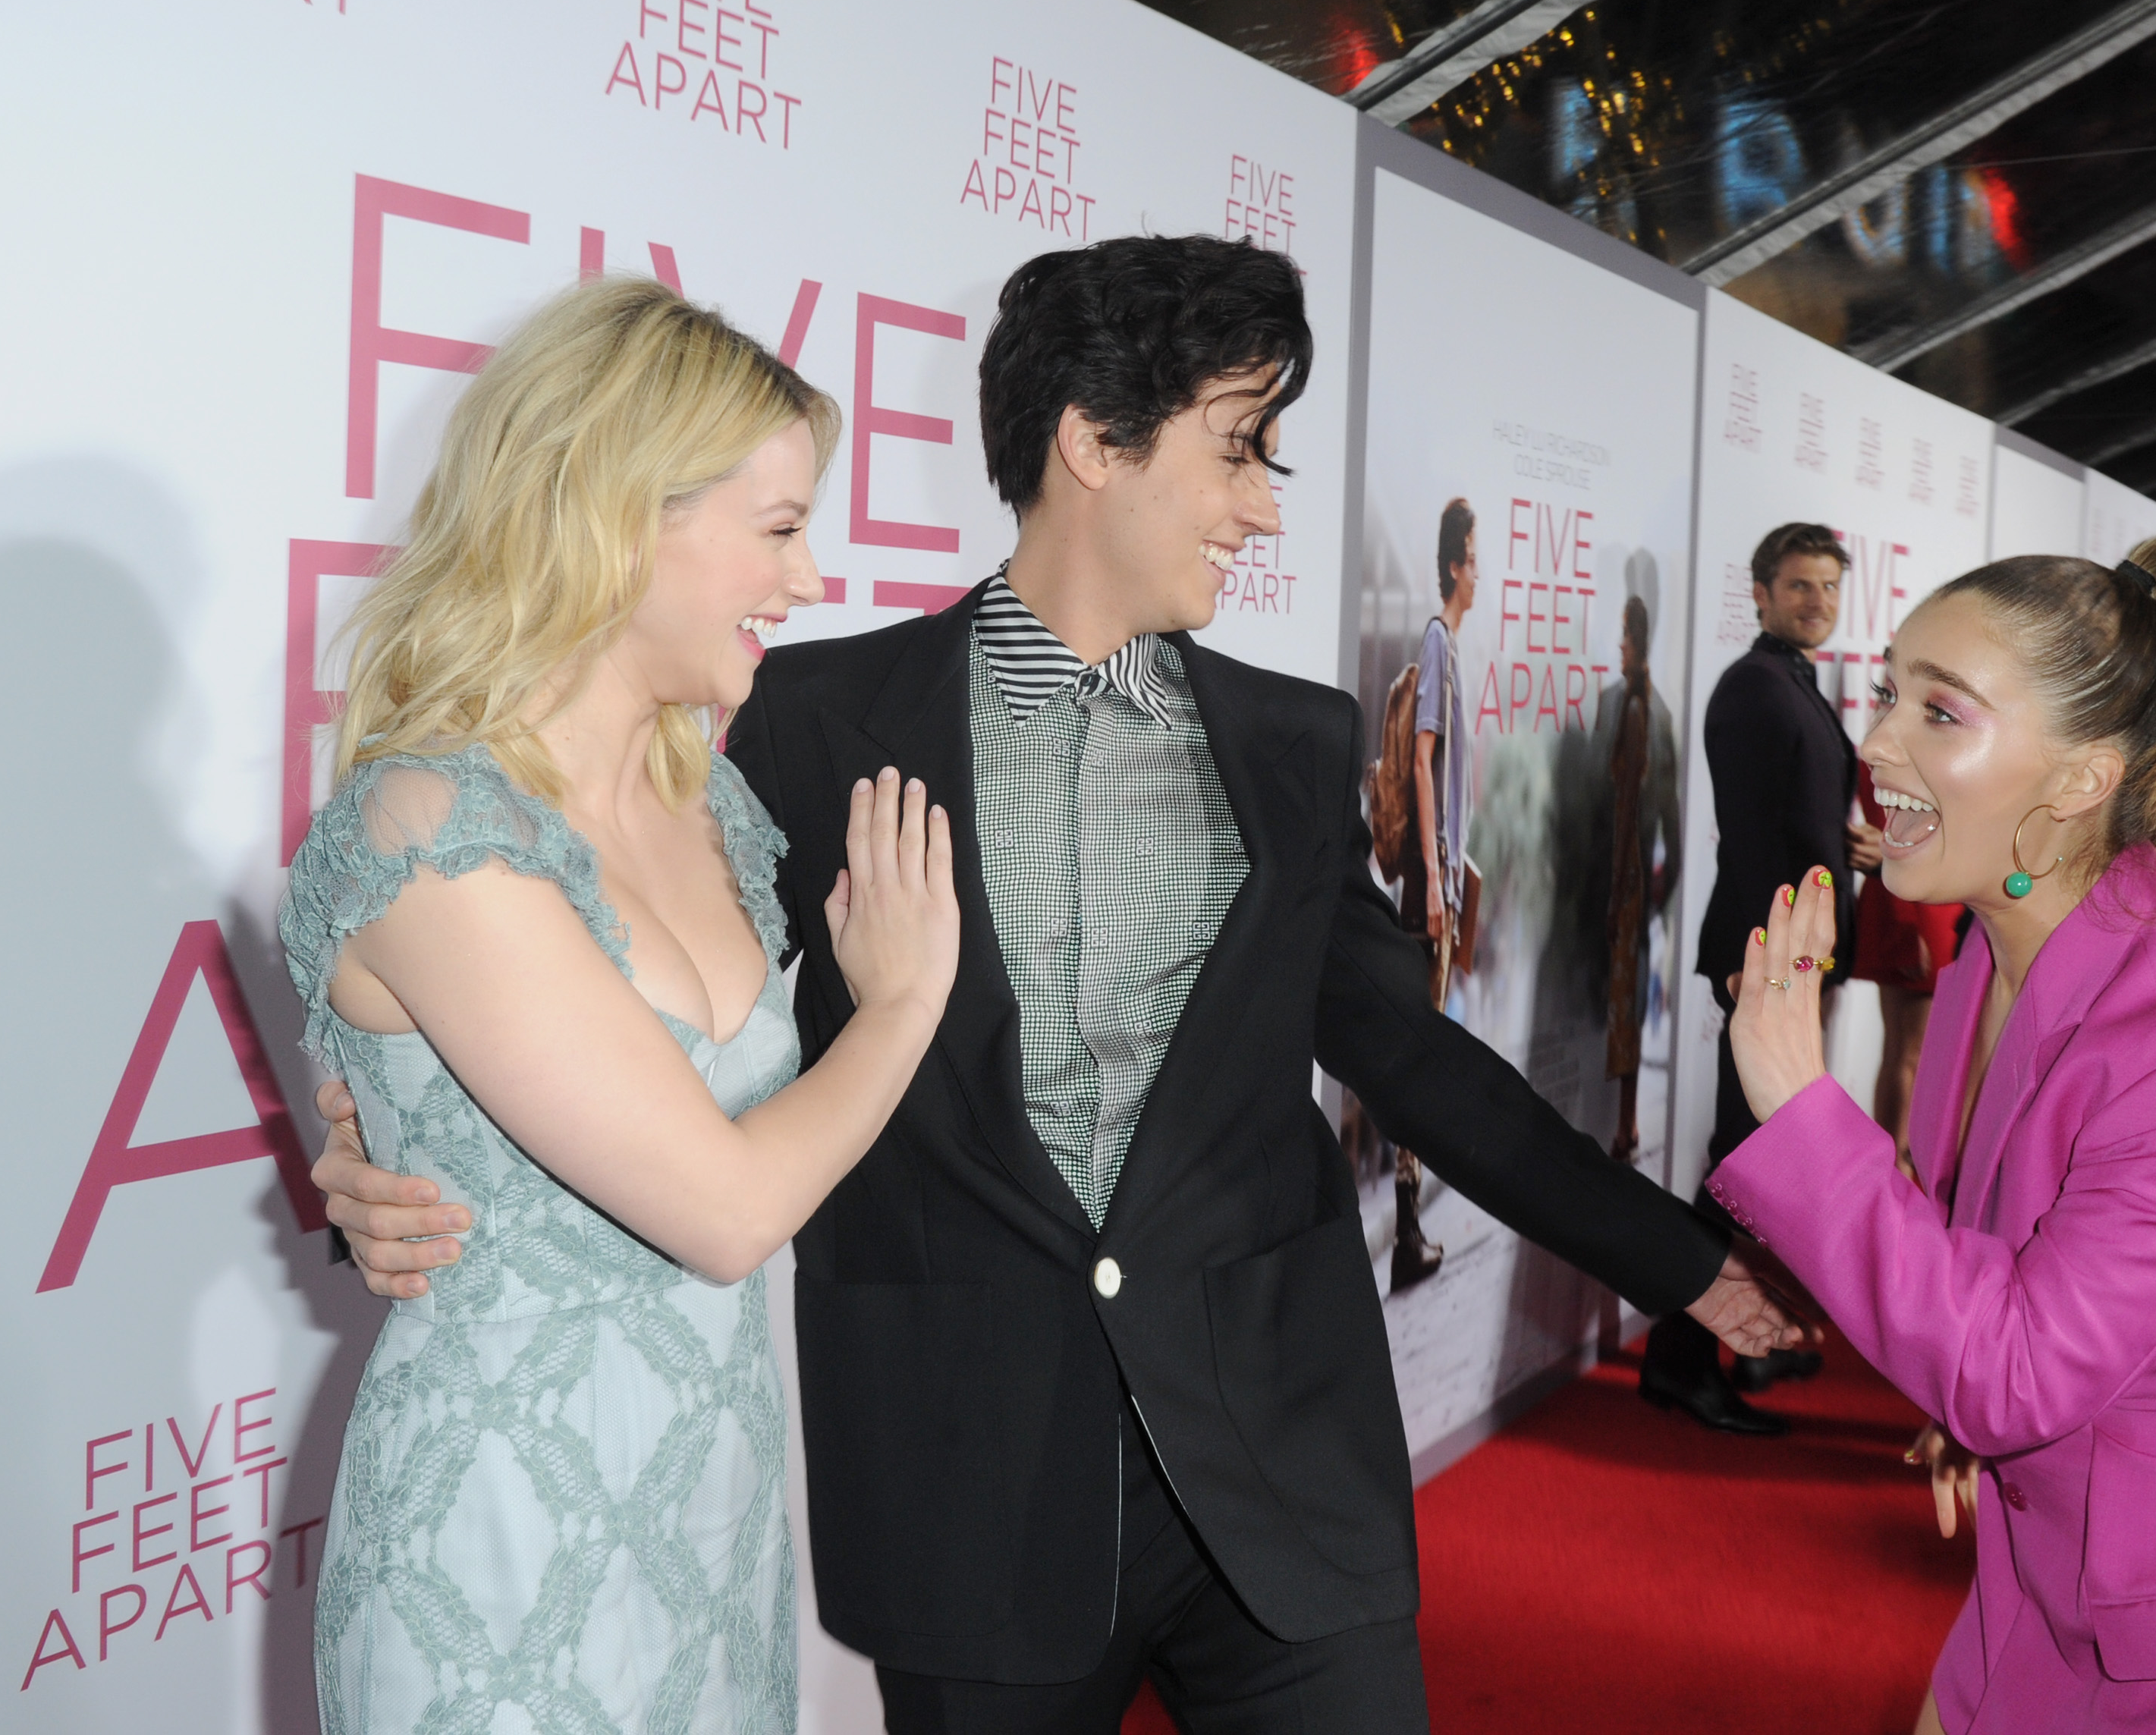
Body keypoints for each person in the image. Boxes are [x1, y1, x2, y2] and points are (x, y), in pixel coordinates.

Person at [310, 235, 1802, 1734]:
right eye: (1235, 453)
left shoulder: (1291, 743)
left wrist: (1676, 1260)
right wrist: (379, 1147)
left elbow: (1408, 1057)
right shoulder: (799, 726)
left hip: (1280, 1464)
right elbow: (633, 1020)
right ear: (1091, 442)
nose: (1259, 507)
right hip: (965, 1485)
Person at [278, 279, 965, 1734]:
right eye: (777, 528)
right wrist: (899, 1006)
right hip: (503, 1528)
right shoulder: (430, 818)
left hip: (708, 1503)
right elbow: (722, 1207)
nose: (810, 574)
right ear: (613, 514)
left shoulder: (711, 795)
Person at [1716, 533, 2156, 1734]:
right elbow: (2013, 1296)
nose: (1876, 745)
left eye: (1940, 711)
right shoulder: (1996, 953)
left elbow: (2018, 1364)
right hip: (2043, 1588)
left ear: (2083, 777)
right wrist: (1977, 1415)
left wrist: (1801, 1106)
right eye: (1888, 695)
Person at [1638, 521, 1873, 1432]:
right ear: (1762, 595)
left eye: (1827, 587)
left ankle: (1747, 1342)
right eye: (1799, 586)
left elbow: (1801, 824)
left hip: (1794, 962)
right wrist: (1763, 969)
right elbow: (1752, 845)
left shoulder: (1794, 684)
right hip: (1766, 963)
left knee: (1760, 1166)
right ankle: (1678, 1356)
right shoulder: (1752, 688)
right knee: (1739, 1167)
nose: (1816, 601)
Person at [1388, 496, 1480, 1289]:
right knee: (1414, 1057)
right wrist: (1434, 881)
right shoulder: (1437, 641)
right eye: (1475, 559)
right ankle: (1408, 1229)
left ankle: (1409, 1226)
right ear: (1455, 564)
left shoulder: (1446, 643)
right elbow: (1422, 763)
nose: (1479, 574)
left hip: (1437, 879)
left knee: (1421, 1053)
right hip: (1428, 887)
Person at [1853, 759, 1964, 1176]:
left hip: (1915, 904)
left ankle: (1893, 1165)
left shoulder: (1883, 752)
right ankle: (1894, 1170)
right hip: (1919, 909)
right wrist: (1906, 926)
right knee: (1909, 1053)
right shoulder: (1900, 757)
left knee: (1903, 1050)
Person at [1604, 593, 1674, 1161]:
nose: (1620, 645)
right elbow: (1670, 807)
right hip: (1643, 875)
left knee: (1624, 1000)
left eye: (1625, 635)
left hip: (1627, 874)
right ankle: (1625, 1122)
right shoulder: (1658, 707)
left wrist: (1616, 892)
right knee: (1628, 998)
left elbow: (1629, 804)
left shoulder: (1635, 709)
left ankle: (1625, 1126)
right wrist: (1668, 871)